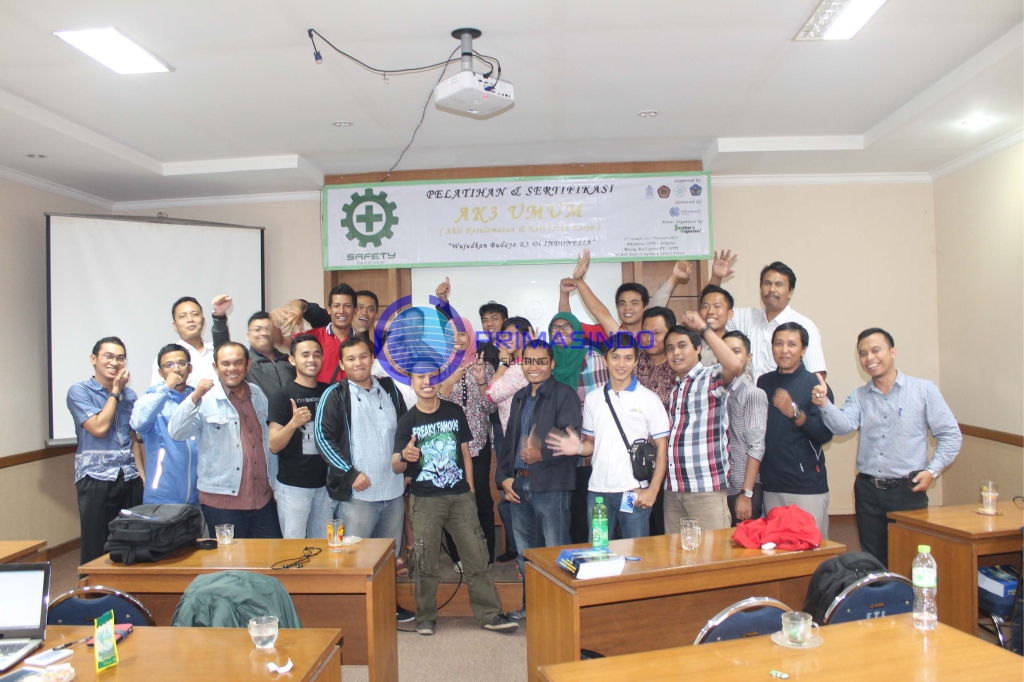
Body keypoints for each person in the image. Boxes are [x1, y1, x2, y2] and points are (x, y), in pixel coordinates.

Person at [813, 328, 961, 565]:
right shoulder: (859, 396)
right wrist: (824, 404)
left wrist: (933, 471)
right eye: (863, 354)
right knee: (873, 560)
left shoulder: (923, 390)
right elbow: (843, 426)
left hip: (908, 490)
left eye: (875, 350)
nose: (869, 358)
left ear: (893, 352)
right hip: (868, 491)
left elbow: (951, 435)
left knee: (911, 558)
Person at [392, 370, 518, 636]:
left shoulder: (454, 411)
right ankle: (425, 616)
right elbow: (395, 465)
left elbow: (465, 453)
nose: (427, 382)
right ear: (412, 383)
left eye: (432, 377)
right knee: (426, 562)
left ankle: (490, 614)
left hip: (460, 498)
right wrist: (404, 455)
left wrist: (470, 488)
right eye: (420, 378)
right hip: (425, 501)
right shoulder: (407, 420)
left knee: (477, 557)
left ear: (440, 380)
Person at [316, 335, 413, 621]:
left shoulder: (389, 388)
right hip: (357, 495)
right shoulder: (334, 394)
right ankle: (356, 616)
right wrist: (349, 473)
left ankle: (387, 608)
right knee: (354, 558)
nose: (358, 363)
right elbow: (323, 438)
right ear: (342, 364)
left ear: (372, 359)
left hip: (392, 491)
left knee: (388, 557)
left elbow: (405, 431)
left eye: (362, 356)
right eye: (350, 359)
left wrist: (407, 468)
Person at [547, 332, 670, 540]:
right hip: (598, 493)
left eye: (628, 358)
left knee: (635, 554)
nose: (621, 364)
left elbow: (662, 449)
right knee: (599, 551)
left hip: (633, 492)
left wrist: (653, 490)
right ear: (604, 359)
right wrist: (578, 448)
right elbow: (591, 444)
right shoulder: (593, 399)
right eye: (615, 357)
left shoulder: (649, 399)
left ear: (636, 361)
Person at [496, 340, 582, 621]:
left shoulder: (565, 395)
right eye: (529, 361)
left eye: (541, 361)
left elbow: (570, 441)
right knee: (526, 554)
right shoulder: (520, 397)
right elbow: (509, 441)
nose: (534, 367)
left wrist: (540, 454)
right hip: (519, 486)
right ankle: (531, 608)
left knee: (557, 552)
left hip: (552, 486)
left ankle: (561, 613)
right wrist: (504, 477)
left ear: (552, 364)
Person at [169, 342, 282, 538]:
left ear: (248, 364)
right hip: (221, 502)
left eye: (238, 363)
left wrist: (275, 486)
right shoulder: (205, 398)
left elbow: (266, 441)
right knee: (230, 557)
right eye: (225, 363)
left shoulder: (257, 394)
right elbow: (176, 432)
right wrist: (194, 397)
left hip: (262, 499)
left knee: (271, 555)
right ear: (215, 367)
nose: (232, 369)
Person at [662, 313, 746, 531]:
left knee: (714, 551)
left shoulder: (710, 377)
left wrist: (703, 328)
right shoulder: (674, 389)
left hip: (706, 489)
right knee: (675, 552)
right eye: (670, 348)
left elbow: (735, 365)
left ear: (698, 348)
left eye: (682, 346)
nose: (675, 352)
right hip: (673, 490)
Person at [67, 337, 144, 564]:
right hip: (96, 478)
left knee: (132, 542)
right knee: (96, 545)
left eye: (120, 358)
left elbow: (132, 438)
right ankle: (94, 588)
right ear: (94, 359)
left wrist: (142, 475)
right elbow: (99, 428)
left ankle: (127, 586)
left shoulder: (130, 396)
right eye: (108, 356)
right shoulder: (80, 391)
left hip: (129, 476)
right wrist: (115, 392)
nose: (115, 362)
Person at [757, 323, 834, 538]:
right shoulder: (763, 382)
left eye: (792, 344)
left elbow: (824, 434)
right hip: (771, 485)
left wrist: (793, 411)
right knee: (776, 548)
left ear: (803, 350)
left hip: (805, 486)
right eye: (779, 344)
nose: (784, 350)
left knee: (811, 548)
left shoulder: (815, 385)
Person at [437, 314, 498, 563]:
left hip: (478, 444)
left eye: (462, 334)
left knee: (481, 498)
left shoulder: (484, 367)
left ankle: (486, 554)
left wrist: (482, 380)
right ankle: (458, 558)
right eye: (451, 334)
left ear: (470, 336)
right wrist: (449, 382)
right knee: (452, 502)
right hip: (448, 446)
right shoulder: (438, 368)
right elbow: (432, 408)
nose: (457, 339)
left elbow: (491, 408)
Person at [267, 335, 331, 539]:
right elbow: (274, 445)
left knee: (324, 548)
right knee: (293, 548)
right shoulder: (282, 395)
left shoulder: (329, 392)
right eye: (305, 355)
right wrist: (293, 423)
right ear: (292, 360)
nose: (311, 359)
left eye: (316, 354)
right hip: (293, 486)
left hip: (325, 486)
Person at [482, 316, 532, 563]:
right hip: (509, 436)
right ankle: (516, 548)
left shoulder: (521, 368)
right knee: (508, 494)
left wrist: (502, 362)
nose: (507, 340)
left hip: (520, 440)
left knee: (515, 494)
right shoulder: (516, 366)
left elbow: (490, 395)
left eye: (513, 334)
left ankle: (523, 552)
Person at [727, 259, 827, 380]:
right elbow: (714, 315)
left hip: (786, 392)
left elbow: (817, 375)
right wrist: (716, 278)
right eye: (767, 283)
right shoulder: (747, 317)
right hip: (748, 392)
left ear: (790, 292)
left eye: (779, 284)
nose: (772, 289)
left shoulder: (805, 325)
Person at [130, 344, 198, 506]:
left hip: (199, 497)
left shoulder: (197, 398)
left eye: (181, 363)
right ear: (160, 372)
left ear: (190, 368)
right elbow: (137, 423)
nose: (176, 369)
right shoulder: (152, 399)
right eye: (169, 365)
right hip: (162, 497)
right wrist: (166, 388)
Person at [720, 332, 768, 526]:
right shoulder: (721, 393)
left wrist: (746, 493)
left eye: (736, 351)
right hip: (722, 487)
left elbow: (757, 446)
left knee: (742, 542)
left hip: (742, 489)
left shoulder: (753, 393)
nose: (730, 356)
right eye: (725, 351)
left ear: (749, 358)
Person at [211, 301, 295, 398]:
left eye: (268, 329)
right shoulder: (245, 362)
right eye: (257, 329)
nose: (264, 333)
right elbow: (223, 350)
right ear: (248, 335)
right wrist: (219, 318)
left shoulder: (289, 361)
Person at [277, 283, 357, 384]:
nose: (341, 311)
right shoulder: (314, 336)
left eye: (347, 306)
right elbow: (280, 341)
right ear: (329, 310)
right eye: (336, 306)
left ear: (355, 310)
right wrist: (274, 320)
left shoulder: (362, 343)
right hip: (320, 394)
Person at [150, 296, 221, 387]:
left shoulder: (217, 350)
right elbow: (157, 393)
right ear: (175, 325)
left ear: (203, 321)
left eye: (195, 314)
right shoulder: (166, 358)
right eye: (183, 316)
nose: (190, 320)